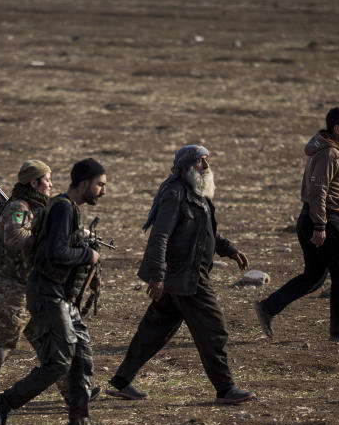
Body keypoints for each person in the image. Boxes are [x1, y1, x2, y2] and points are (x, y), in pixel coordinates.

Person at [106, 145, 257, 404]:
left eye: (207, 160)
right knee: (214, 329)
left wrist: (229, 249)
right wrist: (157, 276)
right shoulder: (175, 194)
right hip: (185, 277)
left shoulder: (198, 194)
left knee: (154, 330)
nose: (206, 166)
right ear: (186, 167)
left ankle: (121, 382)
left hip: (181, 278)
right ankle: (225, 389)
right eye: (201, 161)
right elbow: (159, 237)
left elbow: (207, 231)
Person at [0, 159, 112, 425]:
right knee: (59, 362)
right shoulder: (64, 208)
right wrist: (88, 256)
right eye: (100, 185)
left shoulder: (64, 207)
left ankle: (79, 424)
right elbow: (55, 253)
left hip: (60, 295)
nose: (103, 191)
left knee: (82, 358)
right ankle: (1, 404)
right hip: (47, 293)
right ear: (84, 183)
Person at [253, 107, 339, 342]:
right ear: (337, 129)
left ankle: (268, 307)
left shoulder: (325, 150)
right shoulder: (330, 154)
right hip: (322, 221)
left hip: (314, 217)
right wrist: (320, 225)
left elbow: (325, 190)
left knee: (314, 276)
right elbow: (318, 190)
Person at [0, 160, 60, 412]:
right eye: (46, 179)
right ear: (33, 182)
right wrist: (47, 237)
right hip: (10, 288)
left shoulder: (38, 208)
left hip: (29, 287)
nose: (50, 184)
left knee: (49, 340)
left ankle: (75, 390)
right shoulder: (18, 207)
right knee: (2, 342)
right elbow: (15, 237)